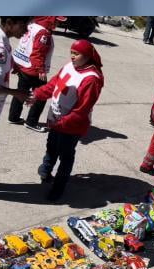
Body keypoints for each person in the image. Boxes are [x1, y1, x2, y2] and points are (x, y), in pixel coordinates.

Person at [33, 39, 104, 200]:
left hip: (71, 126)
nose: (72, 57)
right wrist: (37, 94)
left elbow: (82, 110)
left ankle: (58, 187)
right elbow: (54, 85)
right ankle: (46, 171)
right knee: (51, 147)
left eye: (76, 54)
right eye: (71, 52)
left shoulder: (91, 79)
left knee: (65, 156)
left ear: (87, 56)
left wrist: (62, 123)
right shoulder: (69, 66)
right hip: (56, 121)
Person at [0, 17, 30, 187]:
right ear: (9, 23)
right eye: (23, 25)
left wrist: (13, 64)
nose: (26, 30)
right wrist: (16, 93)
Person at [9, 16, 65, 132]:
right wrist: (41, 70)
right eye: (57, 21)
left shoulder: (32, 26)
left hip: (22, 64)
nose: (58, 24)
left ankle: (13, 117)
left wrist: (16, 64)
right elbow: (37, 54)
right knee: (42, 94)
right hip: (33, 69)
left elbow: (23, 45)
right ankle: (31, 122)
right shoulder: (43, 33)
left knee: (21, 91)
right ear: (50, 19)